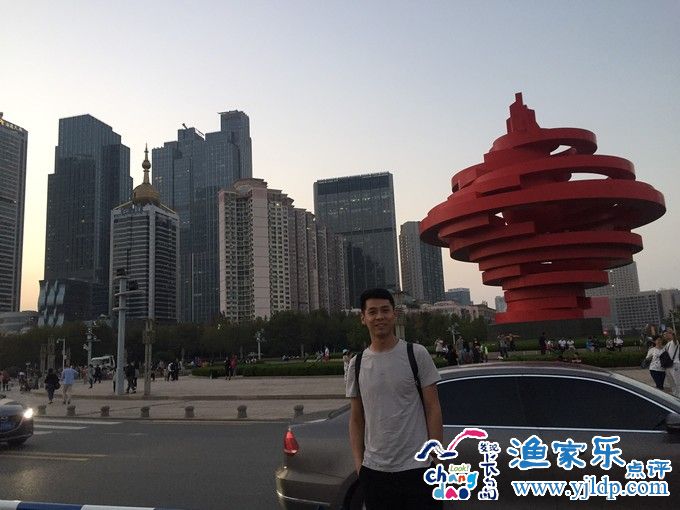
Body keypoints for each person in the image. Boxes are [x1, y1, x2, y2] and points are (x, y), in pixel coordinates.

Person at [346, 288, 443, 510]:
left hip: (419, 468)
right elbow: (356, 418)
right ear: (363, 318)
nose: (379, 317)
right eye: (372, 312)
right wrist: (360, 465)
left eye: (385, 310)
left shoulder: (416, 354)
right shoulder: (356, 364)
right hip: (375, 472)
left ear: (394, 314)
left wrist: (436, 459)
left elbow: (433, 408)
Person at [663, 329, 680, 397]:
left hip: (675, 365)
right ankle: (675, 396)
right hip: (668, 366)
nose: (665, 335)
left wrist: (673, 333)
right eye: (664, 334)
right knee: (672, 383)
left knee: (677, 382)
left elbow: (675, 339)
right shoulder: (667, 344)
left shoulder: (674, 342)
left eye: (667, 333)